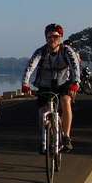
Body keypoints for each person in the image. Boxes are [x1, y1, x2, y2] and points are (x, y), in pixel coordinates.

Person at [20, 23, 81, 152]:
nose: (52, 39)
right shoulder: (40, 52)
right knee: (42, 112)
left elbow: (75, 67)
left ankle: (66, 136)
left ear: (61, 38)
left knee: (65, 101)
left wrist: (76, 83)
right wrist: (25, 84)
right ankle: (45, 138)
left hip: (63, 83)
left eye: (55, 36)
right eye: (49, 37)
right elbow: (30, 67)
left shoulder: (67, 51)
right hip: (45, 85)